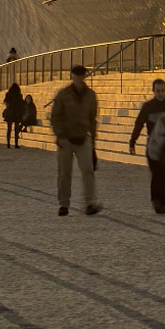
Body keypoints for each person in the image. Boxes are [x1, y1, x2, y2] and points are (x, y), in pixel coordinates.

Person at [129, 78, 165, 214]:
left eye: (162, 91)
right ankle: (156, 200)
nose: (160, 94)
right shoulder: (148, 107)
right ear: (153, 91)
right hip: (154, 146)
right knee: (157, 174)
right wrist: (133, 140)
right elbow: (139, 123)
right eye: (158, 91)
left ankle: (162, 200)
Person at [50, 65, 101, 216]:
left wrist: (93, 142)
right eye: (76, 75)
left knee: (88, 170)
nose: (79, 78)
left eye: (81, 75)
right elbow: (55, 117)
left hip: (83, 137)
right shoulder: (63, 95)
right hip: (66, 139)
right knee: (65, 172)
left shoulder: (91, 95)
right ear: (72, 76)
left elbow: (92, 119)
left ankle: (90, 203)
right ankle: (64, 204)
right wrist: (59, 135)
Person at [3, 82, 26, 148]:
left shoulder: (8, 94)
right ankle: (16, 144)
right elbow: (21, 104)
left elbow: (5, 102)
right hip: (17, 113)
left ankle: (8, 144)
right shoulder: (19, 95)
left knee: (9, 129)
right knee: (16, 129)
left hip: (9, 112)